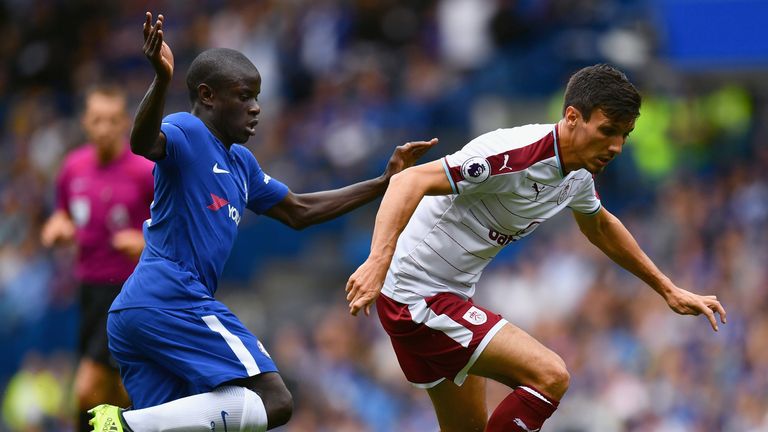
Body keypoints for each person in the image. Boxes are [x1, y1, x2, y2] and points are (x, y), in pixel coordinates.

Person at [87, 12, 436, 432]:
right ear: (208, 96)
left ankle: (127, 425)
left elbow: (299, 210)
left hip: (140, 312)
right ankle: (124, 424)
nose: (255, 108)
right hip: (170, 296)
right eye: (244, 96)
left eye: (257, 97)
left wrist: (383, 182)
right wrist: (161, 81)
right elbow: (143, 143)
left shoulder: (241, 165)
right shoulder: (189, 131)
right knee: (274, 399)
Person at [344, 64, 728, 432]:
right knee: (550, 375)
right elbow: (408, 181)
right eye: (608, 130)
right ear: (573, 117)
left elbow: (600, 224)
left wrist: (667, 288)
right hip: (416, 297)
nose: (616, 147)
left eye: (624, 135)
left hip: (445, 296)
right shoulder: (514, 154)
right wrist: (378, 260)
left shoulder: (578, 170)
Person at [41, 85, 153, 431]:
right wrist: (57, 228)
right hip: (89, 290)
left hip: (130, 292)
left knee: (87, 389)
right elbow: (62, 214)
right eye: (97, 120)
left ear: (125, 123)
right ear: (85, 123)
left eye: (112, 120)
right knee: (117, 392)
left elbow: (177, 230)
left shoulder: (144, 171)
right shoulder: (73, 168)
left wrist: (145, 240)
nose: (104, 128)